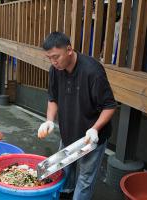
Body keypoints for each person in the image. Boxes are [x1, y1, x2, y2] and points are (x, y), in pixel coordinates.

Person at [37, 32, 116, 200]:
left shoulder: (92, 71)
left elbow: (110, 106)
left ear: (69, 50)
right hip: (68, 132)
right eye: (49, 58)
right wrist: (49, 120)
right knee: (64, 171)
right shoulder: (55, 70)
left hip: (91, 137)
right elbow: (53, 98)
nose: (53, 62)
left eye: (56, 57)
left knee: (85, 178)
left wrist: (95, 129)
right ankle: (65, 195)